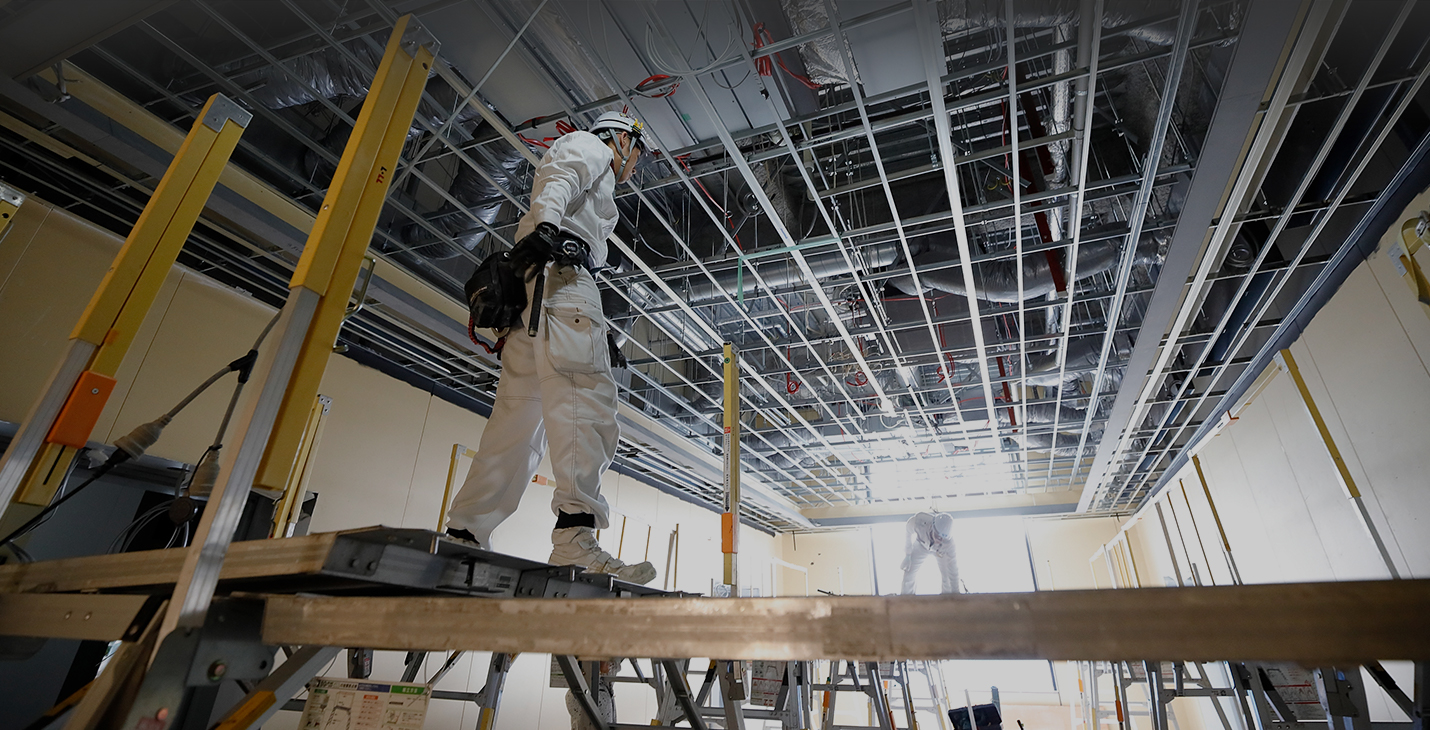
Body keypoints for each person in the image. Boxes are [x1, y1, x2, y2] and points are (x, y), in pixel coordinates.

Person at [445, 111, 656, 584]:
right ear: (623, 138)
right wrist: (547, 225)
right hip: (564, 278)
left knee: (517, 425)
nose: (634, 166)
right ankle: (575, 540)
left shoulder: (595, 164)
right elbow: (560, 175)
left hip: (538, 299)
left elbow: (560, 182)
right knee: (586, 403)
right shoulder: (594, 146)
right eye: (637, 153)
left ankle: (466, 533)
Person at [901, 511, 960, 594]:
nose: (938, 540)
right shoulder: (918, 522)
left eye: (942, 539)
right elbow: (908, 532)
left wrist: (957, 595)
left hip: (940, 551)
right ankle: (906, 599)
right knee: (909, 573)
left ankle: (947, 599)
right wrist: (907, 554)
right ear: (932, 527)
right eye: (937, 536)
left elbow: (953, 570)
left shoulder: (949, 544)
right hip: (921, 545)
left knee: (947, 576)